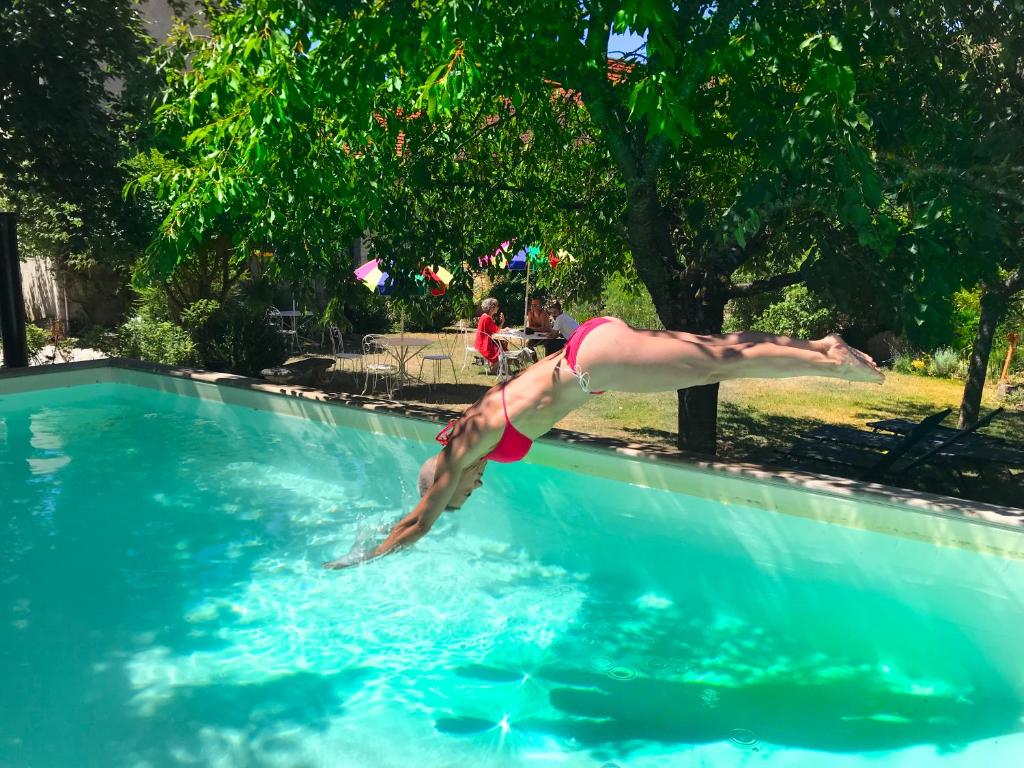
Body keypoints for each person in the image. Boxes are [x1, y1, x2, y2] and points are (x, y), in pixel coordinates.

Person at [324, 318, 883, 569]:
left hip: (595, 364)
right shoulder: (470, 430)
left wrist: (364, 559)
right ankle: (819, 345)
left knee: (717, 363)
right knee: (712, 353)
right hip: (588, 353)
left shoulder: (461, 447)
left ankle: (828, 361)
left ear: (446, 483)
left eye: (463, 495)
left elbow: (420, 521)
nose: (476, 487)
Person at [473, 297, 506, 374]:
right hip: (485, 344)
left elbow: (494, 330)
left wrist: (502, 329)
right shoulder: (487, 318)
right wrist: (502, 322)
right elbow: (496, 331)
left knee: (502, 344)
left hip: (481, 342)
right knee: (501, 348)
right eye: (497, 306)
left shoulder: (484, 316)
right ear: (492, 308)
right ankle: (495, 369)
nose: (498, 308)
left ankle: (496, 366)